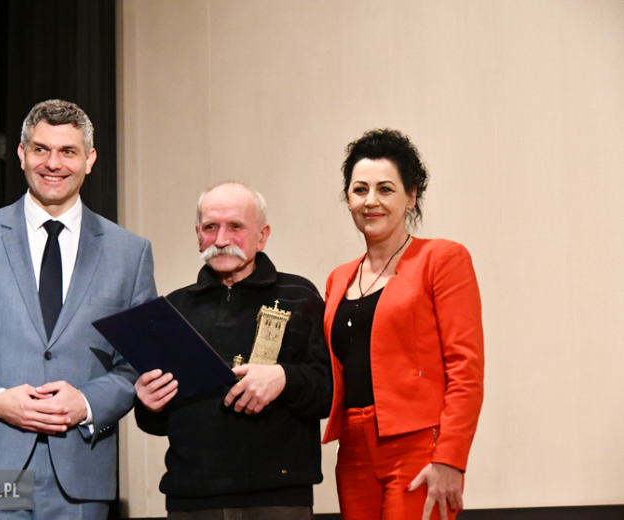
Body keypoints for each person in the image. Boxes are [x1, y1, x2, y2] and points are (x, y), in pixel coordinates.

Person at [0, 99, 157, 519]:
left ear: (90, 159)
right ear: (22, 154)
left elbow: (138, 364)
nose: (53, 163)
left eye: (68, 151)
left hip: (80, 479)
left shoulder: (129, 253)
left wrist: (87, 402)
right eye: (41, 149)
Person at [134, 181, 333, 519]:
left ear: (262, 235)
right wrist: (146, 402)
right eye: (210, 227)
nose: (221, 239)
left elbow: (327, 393)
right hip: (191, 500)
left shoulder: (300, 295)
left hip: (278, 500)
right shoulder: (174, 309)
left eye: (235, 226)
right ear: (198, 234)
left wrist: (284, 378)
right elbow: (158, 423)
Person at [323, 129, 484, 520]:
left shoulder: (442, 259)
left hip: (418, 448)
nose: (371, 201)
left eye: (385, 189)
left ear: (411, 196)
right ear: (348, 198)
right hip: (353, 451)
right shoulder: (337, 278)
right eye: (360, 190)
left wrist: (450, 459)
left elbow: (466, 370)